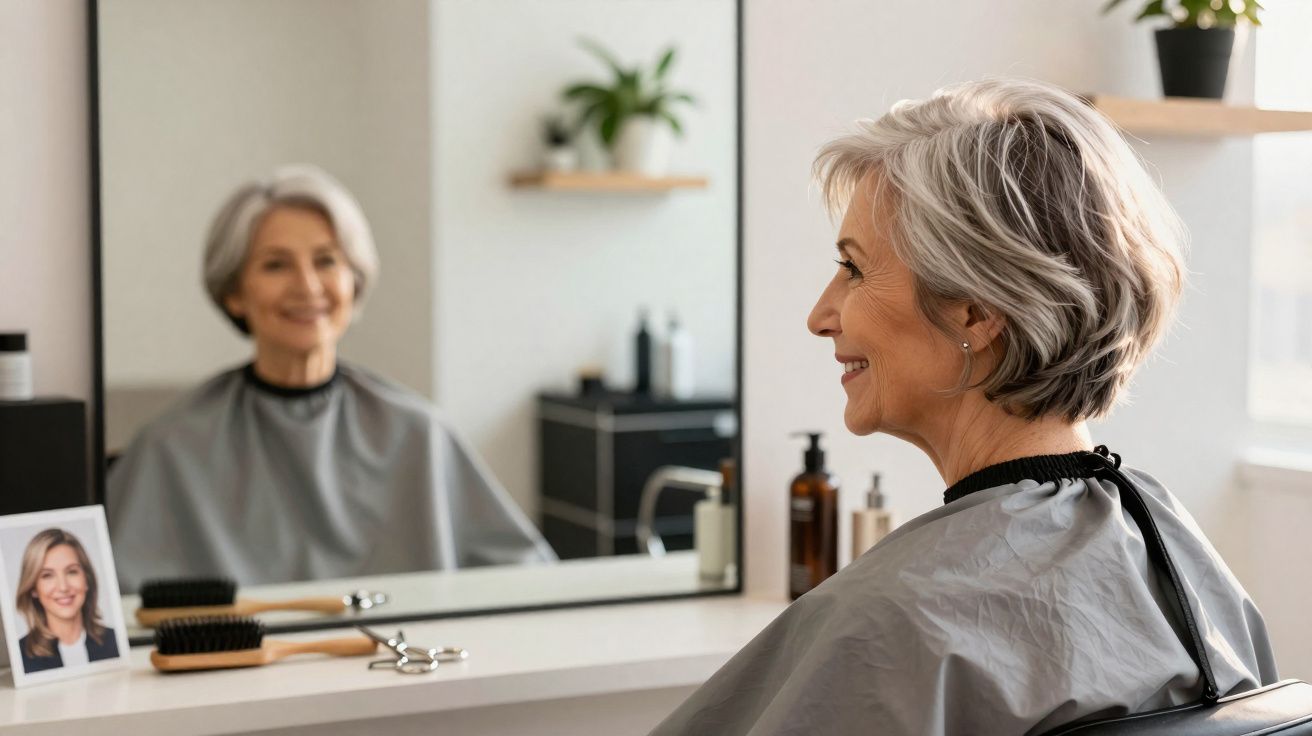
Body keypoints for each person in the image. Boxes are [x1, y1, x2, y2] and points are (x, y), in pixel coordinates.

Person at [651, 78, 1278, 735]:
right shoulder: (1183, 560)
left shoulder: (891, 621)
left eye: (854, 269)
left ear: (975, 313)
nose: (820, 316)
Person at [108, 165, 555, 592]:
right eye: (275, 265)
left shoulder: (419, 433)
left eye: (326, 260)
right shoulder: (171, 446)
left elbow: (527, 579)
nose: (308, 286)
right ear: (234, 292)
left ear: (353, 282)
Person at [16, 528, 120, 673]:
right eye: (47, 575)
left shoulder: (115, 641)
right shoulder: (19, 656)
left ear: (87, 580)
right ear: (33, 588)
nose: (63, 587)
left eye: (72, 572)